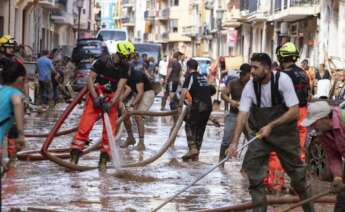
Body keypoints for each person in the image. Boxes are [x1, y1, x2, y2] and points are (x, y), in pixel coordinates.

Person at [227, 53, 314, 212]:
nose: (252, 71)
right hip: (261, 135)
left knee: (298, 177)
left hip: (285, 134)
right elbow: (242, 114)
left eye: (255, 67)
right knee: (255, 178)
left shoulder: (282, 80)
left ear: (266, 68)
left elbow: (294, 111)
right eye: (251, 67)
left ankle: (310, 209)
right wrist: (234, 143)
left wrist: (271, 126)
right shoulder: (251, 86)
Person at [70, 41, 133, 171]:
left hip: (111, 97)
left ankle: (103, 162)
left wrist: (111, 103)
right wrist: (95, 98)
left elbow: (120, 87)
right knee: (85, 127)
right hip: (96, 95)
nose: (127, 60)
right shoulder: (102, 61)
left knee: (109, 132)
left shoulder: (125, 67)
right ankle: (74, 159)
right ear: (120, 53)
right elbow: (90, 80)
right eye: (127, 56)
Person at [264, 42, 310, 192]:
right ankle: (298, 186)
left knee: (277, 150)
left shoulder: (281, 75)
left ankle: (275, 185)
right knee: (299, 150)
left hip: (287, 113)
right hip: (303, 113)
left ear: (281, 57)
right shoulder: (303, 73)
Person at [301, 101, 345, 212]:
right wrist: (338, 178)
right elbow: (333, 157)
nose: (312, 126)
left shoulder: (343, 119)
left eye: (314, 123)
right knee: (342, 200)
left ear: (324, 118)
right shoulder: (323, 132)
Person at [178, 59, 212, 161]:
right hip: (208, 106)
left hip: (199, 106)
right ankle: (196, 156)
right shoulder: (202, 77)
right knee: (200, 130)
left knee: (189, 125)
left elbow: (184, 92)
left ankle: (192, 148)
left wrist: (180, 106)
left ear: (188, 67)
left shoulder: (190, 76)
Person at [219, 63, 251, 167]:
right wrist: (231, 101)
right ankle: (221, 164)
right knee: (226, 140)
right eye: (240, 74)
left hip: (248, 116)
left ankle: (245, 167)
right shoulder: (233, 83)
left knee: (252, 142)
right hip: (234, 114)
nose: (241, 77)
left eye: (244, 75)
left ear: (249, 74)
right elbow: (223, 94)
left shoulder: (253, 84)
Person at [121, 60, 155, 151]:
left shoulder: (137, 75)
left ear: (129, 69)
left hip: (147, 93)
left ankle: (141, 143)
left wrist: (132, 105)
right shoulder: (124, 75)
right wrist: (120, 100)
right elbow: (128, 89)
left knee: (138, 115)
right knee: (125, 113)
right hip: (137, 94)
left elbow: (141, 92)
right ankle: (131, 138)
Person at [0, 62, 27, 174]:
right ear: (20, 79)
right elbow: (16, 103)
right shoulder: (15, 93)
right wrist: (21, 134)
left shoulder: (1, 89)